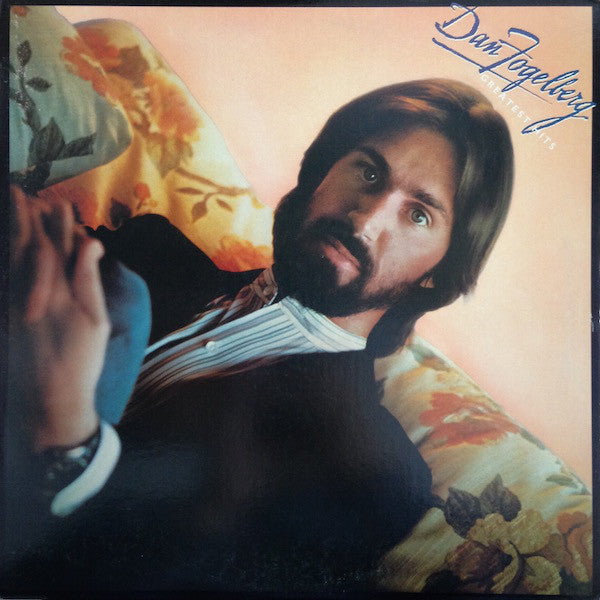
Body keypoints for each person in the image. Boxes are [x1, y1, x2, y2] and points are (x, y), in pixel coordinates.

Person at [5, 79, 513, 592]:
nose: (365, 218)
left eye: (418, 214)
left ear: (437, 275)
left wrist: (69, 438)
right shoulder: (150, 249)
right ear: (322, 171)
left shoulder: (373, 476)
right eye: (369, 171)